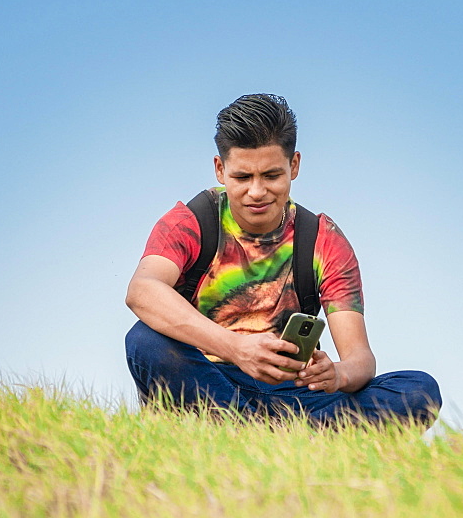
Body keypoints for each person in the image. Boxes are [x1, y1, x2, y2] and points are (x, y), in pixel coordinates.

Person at [124, 93, 441, 428]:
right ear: (220, 169)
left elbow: (360, 359)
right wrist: (236, 349)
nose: (257, 191)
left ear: (294, 166)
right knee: (144, 340)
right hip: (209, 381)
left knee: (419, 390)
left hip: (296, 394)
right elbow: (142, 291)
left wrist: (336, 374)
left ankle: (254, 434)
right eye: (243, 177)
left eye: (272, 176)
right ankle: (284, 436)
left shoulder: (323, 239)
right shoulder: (191, 221)